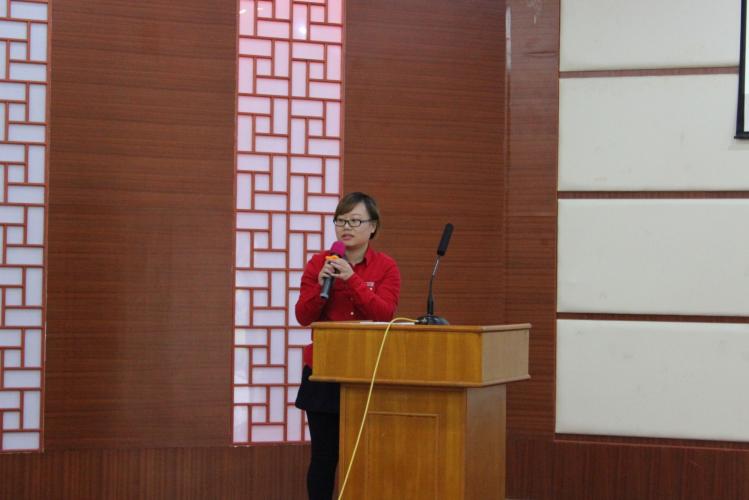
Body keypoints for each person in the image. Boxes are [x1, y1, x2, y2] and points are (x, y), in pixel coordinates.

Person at [294, 192, 401, 500]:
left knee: (367, 455)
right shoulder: (318, 263)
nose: (346, 227)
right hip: (324, 371)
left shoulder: (386, 267)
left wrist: (352, 279)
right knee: (324, 457)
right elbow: (303, 316)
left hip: (369, 372)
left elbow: (384, 314)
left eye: (355, 221)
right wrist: (320, 286)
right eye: (340, 221)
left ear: (373, 227)